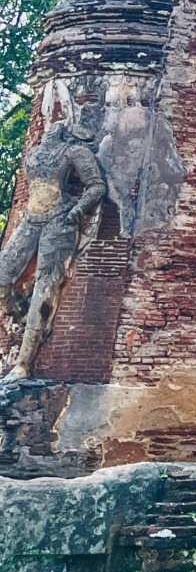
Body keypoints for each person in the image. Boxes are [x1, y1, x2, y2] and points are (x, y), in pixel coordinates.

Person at [0, 109, 105, 382]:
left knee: (45, 288)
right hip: (32, 218)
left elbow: (96, 187)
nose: (51, 128)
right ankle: (17, 311)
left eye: (58, 127)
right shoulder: (34, 155)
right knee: (2, 276)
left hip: (60, 219)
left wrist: (77, 211)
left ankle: (23, 363)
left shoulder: (74, 152)